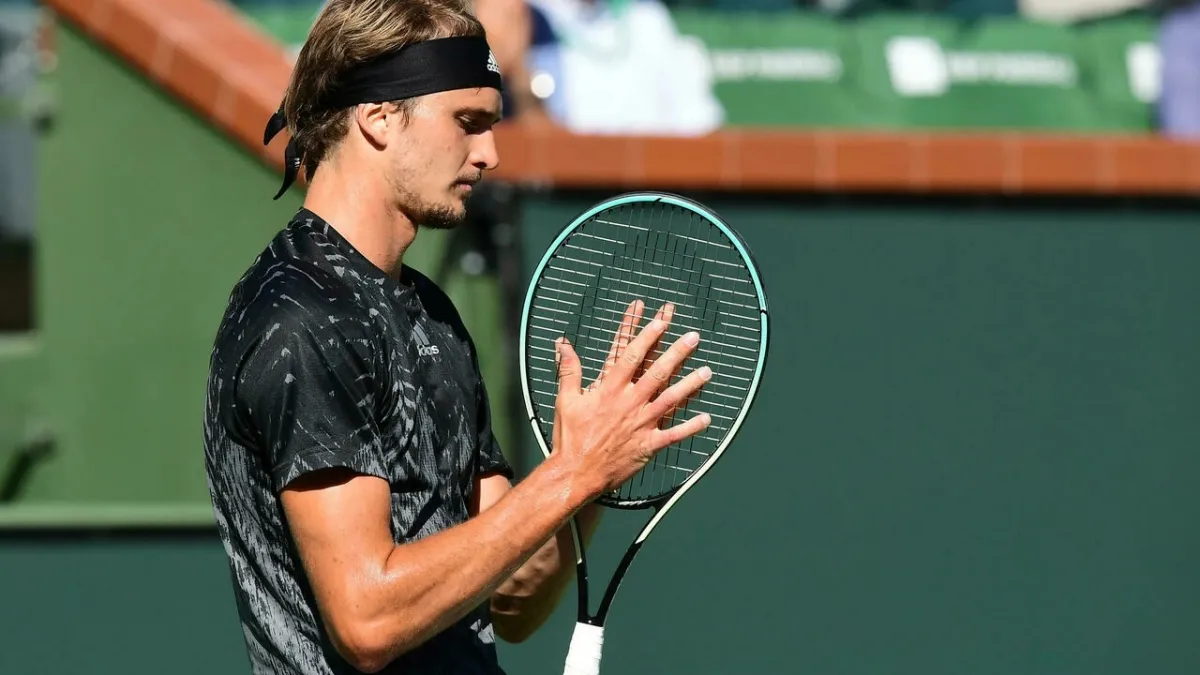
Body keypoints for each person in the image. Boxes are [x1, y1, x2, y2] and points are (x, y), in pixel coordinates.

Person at [201, 1, 713, 674]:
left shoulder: (431, 313)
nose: (490, 154)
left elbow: (513, 596)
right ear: (379, 117)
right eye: (467, 123)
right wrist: (570, 472)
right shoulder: (301, 316)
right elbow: (368, 619)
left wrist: (592, 472)